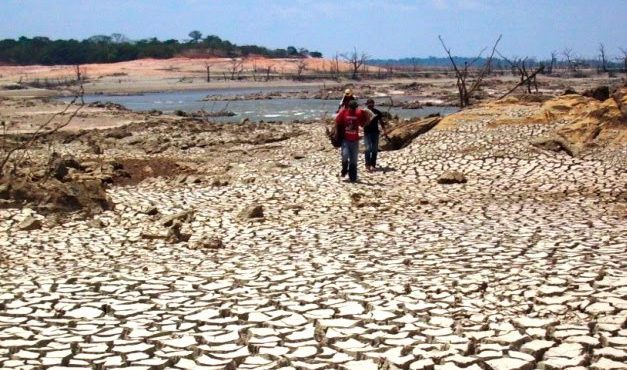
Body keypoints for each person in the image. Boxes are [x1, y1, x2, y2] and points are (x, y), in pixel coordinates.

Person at [335, 99, 369, 182]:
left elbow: (364, 123)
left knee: (354, 159)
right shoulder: (344, 112)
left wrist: (366, 114)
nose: (353, 110)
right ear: (349, 107)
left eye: (354, 108)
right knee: (345, 155)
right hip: (345, 140)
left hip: (355, 140)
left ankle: (352, 176)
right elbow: (337, 121)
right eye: (352, 108)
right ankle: (344, 169)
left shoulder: (358, 113)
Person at [363, 98, 387, 171]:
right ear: (367, 104)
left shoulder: (377, 112)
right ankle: (367, 164)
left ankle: (373, 165)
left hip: (375, 132)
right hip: (367, 132)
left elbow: (381, 122)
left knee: (374, 149)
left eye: (372, 103)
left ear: (374, 104)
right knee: (368, 149)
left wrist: (385, 131)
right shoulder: (364, 112)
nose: (371, 104)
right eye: (369, 103)